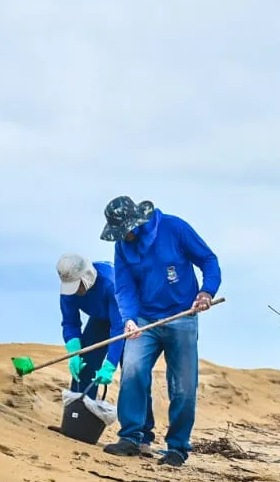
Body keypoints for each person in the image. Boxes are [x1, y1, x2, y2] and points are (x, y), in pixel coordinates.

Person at [99, 197, 221, 467]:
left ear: (137, 222)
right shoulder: (123, 246)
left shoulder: (174, 228)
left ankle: (177, 447)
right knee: (132, 369)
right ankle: (131, 436)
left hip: (183, 315)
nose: (123, 237)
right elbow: (125, 287)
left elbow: (208, 260)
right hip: (144, 318)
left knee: (183, 387)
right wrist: (129, 319)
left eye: (126, 231)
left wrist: (206, 291)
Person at [56, 253, 156, 452]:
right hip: (100, 318)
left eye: (79, 286)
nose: (77, 291)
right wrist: (74, 352)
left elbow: (119, 329)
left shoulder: (111, 284)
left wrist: (109, 365)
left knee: (133, 374)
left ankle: (143, 436)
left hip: (129, 319)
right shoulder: (68, 291)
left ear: (88, 277)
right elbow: (70, 322)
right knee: (85, 364)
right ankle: (78, 424)